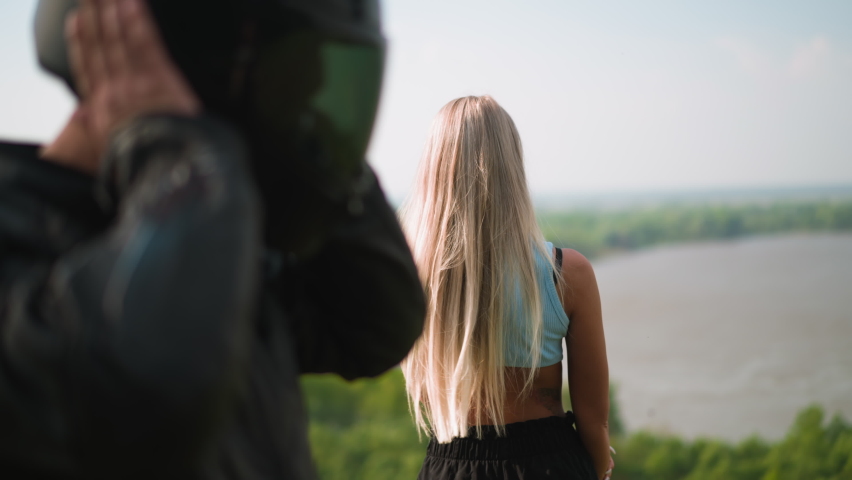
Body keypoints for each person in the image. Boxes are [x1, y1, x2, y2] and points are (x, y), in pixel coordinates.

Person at [0, 0, 424, 479]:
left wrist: (321, 165)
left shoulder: (219, 232)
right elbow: (138, 388)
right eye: (291, 93)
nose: (310, 114)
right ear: (203, 75)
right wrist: (181, 153)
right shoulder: (21, 237)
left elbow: (375, 323)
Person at [400, 96, 614, 480]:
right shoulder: (566, 273)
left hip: (450, 463)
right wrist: (600, 469)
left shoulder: (411, 274)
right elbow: (594, 418)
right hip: (549, 465)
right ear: (512, 166)